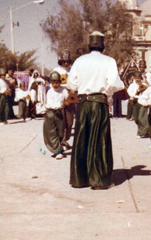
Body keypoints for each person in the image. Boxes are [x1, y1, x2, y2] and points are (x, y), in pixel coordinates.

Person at [68, 31, 124, 189]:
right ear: (103, 45)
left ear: (89, 45)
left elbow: (72, 84)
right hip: (98, 103)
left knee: (82, 138)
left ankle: (80, 179)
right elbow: (114, 83)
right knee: (99, 139)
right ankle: (98, 180)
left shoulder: (80, 60)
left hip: (83, 103)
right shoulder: (109, 61)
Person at [43, 71, 69, 160]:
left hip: (60, 114)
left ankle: (59, 148)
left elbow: (68, 100)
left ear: (60, 82)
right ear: (50, 82)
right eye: (53, 83)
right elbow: (49, 104)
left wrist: (66, 103)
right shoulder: (49, 91)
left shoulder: (64, 90)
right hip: (50, 113)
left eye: (57, 82)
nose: (55, 85)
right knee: (51, 133)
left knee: (60, 133)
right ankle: (58, 151)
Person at [52, 49, 75, 150]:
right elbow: (53, 85)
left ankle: (66, 139)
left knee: (70, 122)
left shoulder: (73, 70)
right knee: (61, 121)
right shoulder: (56, 70)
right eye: (64, 61)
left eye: (68, 61)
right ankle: (61, 141)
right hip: (60, 96)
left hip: (71, 96)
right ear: (60, 61)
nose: (66, 63)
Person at [127, 71, 149, 138]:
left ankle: (141, 132)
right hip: (135, 102)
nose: (137, 79)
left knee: (141, 117)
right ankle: (144, 130)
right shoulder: (132, 85)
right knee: (136, 118)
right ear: (133, 78)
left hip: (142, 102)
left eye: (139, 78)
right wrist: (137, 92)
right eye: (136, 78)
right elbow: (130, 94)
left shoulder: (144, 85)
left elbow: (147, 93)